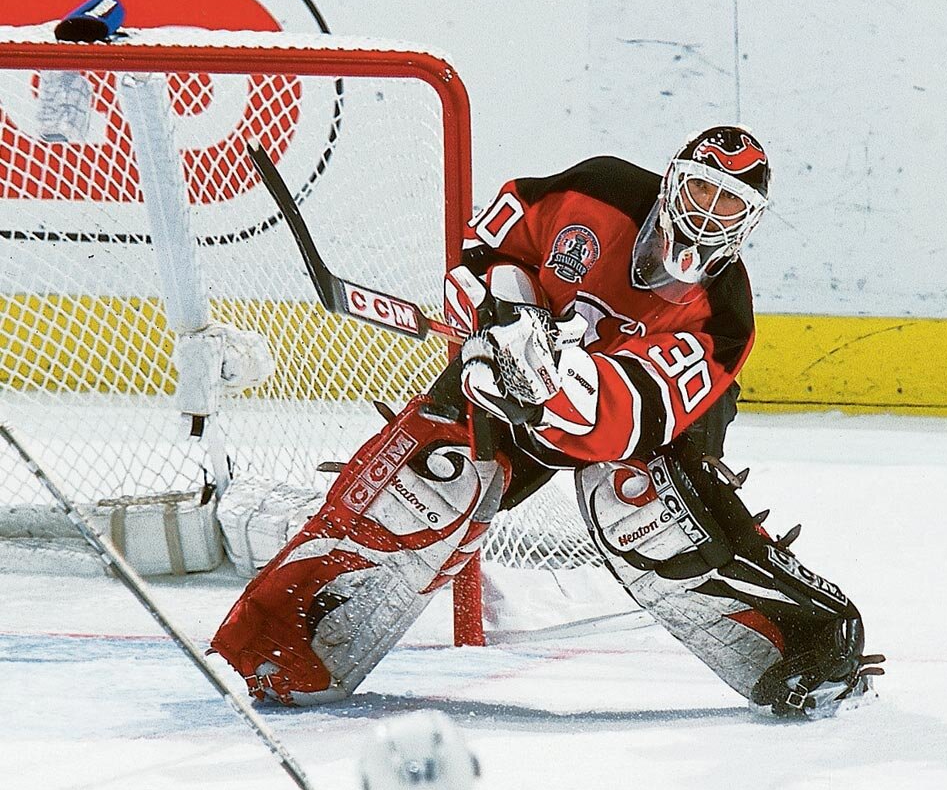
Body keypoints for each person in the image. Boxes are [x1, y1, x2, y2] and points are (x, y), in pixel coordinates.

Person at [210, 126, 884, 718]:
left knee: (641, 512)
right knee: (431, 480)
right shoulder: (598, 189)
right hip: (519, 365)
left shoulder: (723, 312)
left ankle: (813, 650)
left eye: (728, 203)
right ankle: (279, 644)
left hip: (644, 420)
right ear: (672, 179)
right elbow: (491, 246)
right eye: (699, 189)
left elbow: (624, 420)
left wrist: (549, 382)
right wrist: (506, 316)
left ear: (750, 220)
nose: (706, 212)